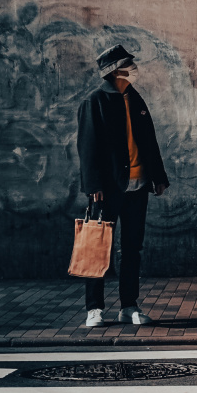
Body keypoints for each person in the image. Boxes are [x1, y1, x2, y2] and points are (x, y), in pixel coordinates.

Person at [76, 44, 169, 327]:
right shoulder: (95, 101)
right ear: (116, 71)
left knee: (131, 249)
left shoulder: (135, 98)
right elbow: (87, 146)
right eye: (129, 64)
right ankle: (94, 308)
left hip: (138, 187)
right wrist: (93, 184)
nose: (134, 68)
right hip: (107, 189)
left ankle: (129, 306)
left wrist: (158, 177)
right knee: (97, 246)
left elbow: (149, 141)